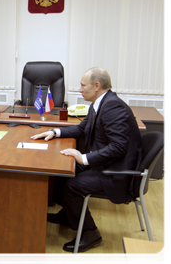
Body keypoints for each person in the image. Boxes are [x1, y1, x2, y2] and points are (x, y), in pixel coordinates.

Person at [31, 67, 143, 253]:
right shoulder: (100, 103)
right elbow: (83, 128)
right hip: (102, 163)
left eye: (83, 85)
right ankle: (69, 215)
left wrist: (83, 158)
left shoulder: (113, 107)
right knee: (58, 175)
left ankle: (90, 233)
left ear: (97, 86)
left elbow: (118, 147)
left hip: (115, 172)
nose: (80, 89)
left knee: (70, 186)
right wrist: (54, 132)